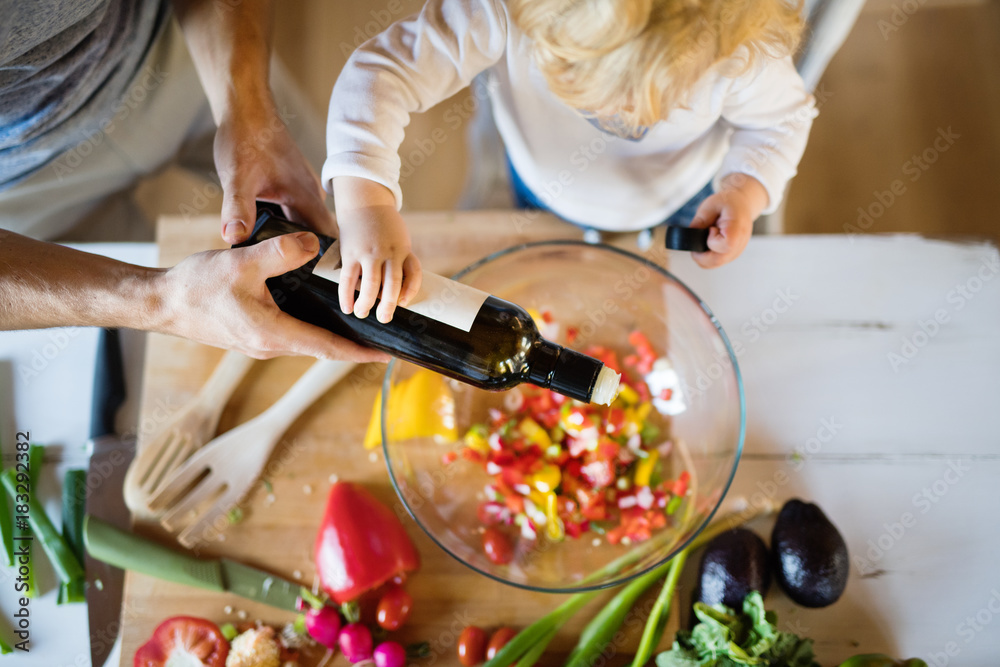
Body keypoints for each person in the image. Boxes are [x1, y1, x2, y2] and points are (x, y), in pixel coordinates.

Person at [324, 0, 818, 325]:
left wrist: (744, 189)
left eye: (660, 99)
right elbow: (381, 77)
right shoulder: (506, 10)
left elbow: (782, 121)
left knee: (660, 306)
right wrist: (364, 207)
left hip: (687, 197)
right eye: (597, 95)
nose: (624, 115)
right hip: (543, 186)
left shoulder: (737, 48)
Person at [0, 0, 387, 363]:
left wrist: (245, 101)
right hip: (25, 193)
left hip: (179, 50)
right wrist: (160, 302)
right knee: (136, 350)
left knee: (342, 210)